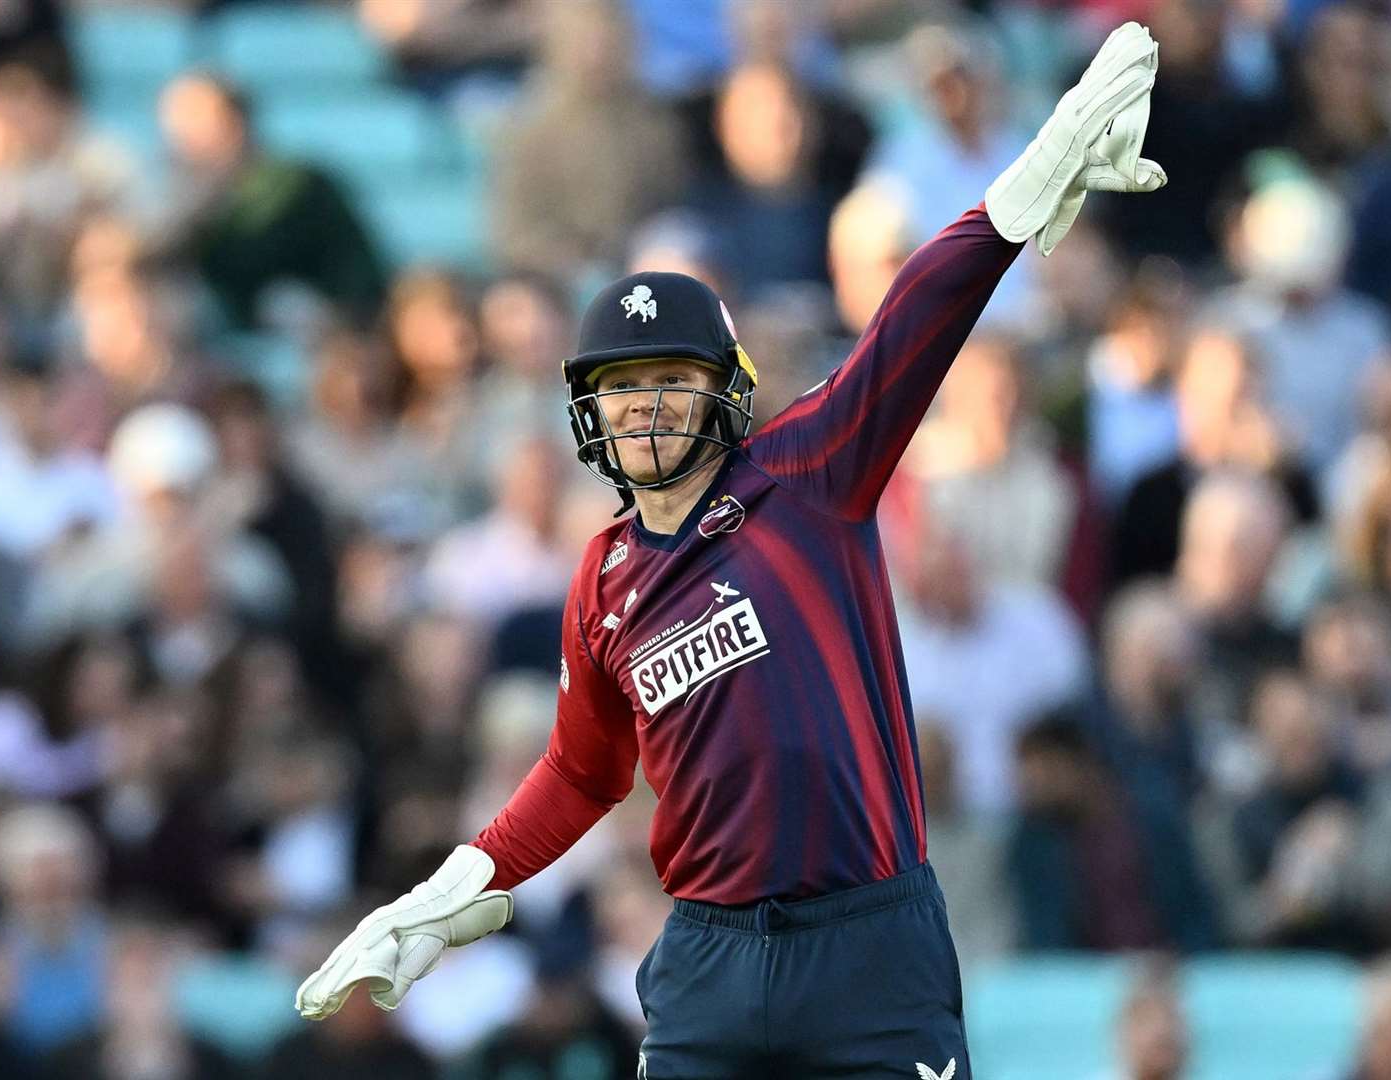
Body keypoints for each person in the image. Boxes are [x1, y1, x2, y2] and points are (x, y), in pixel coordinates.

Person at [297, 22, 1167, 1079]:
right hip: (705, 959)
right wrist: (457, 889)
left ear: (727, 392)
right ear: (588, 417)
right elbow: (582, 773)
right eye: (622, 390)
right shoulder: (603, 578)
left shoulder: (807, 473)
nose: (647, 409)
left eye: (672, 380)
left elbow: (913, 321)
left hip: (868, 946)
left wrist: (1020, 195)